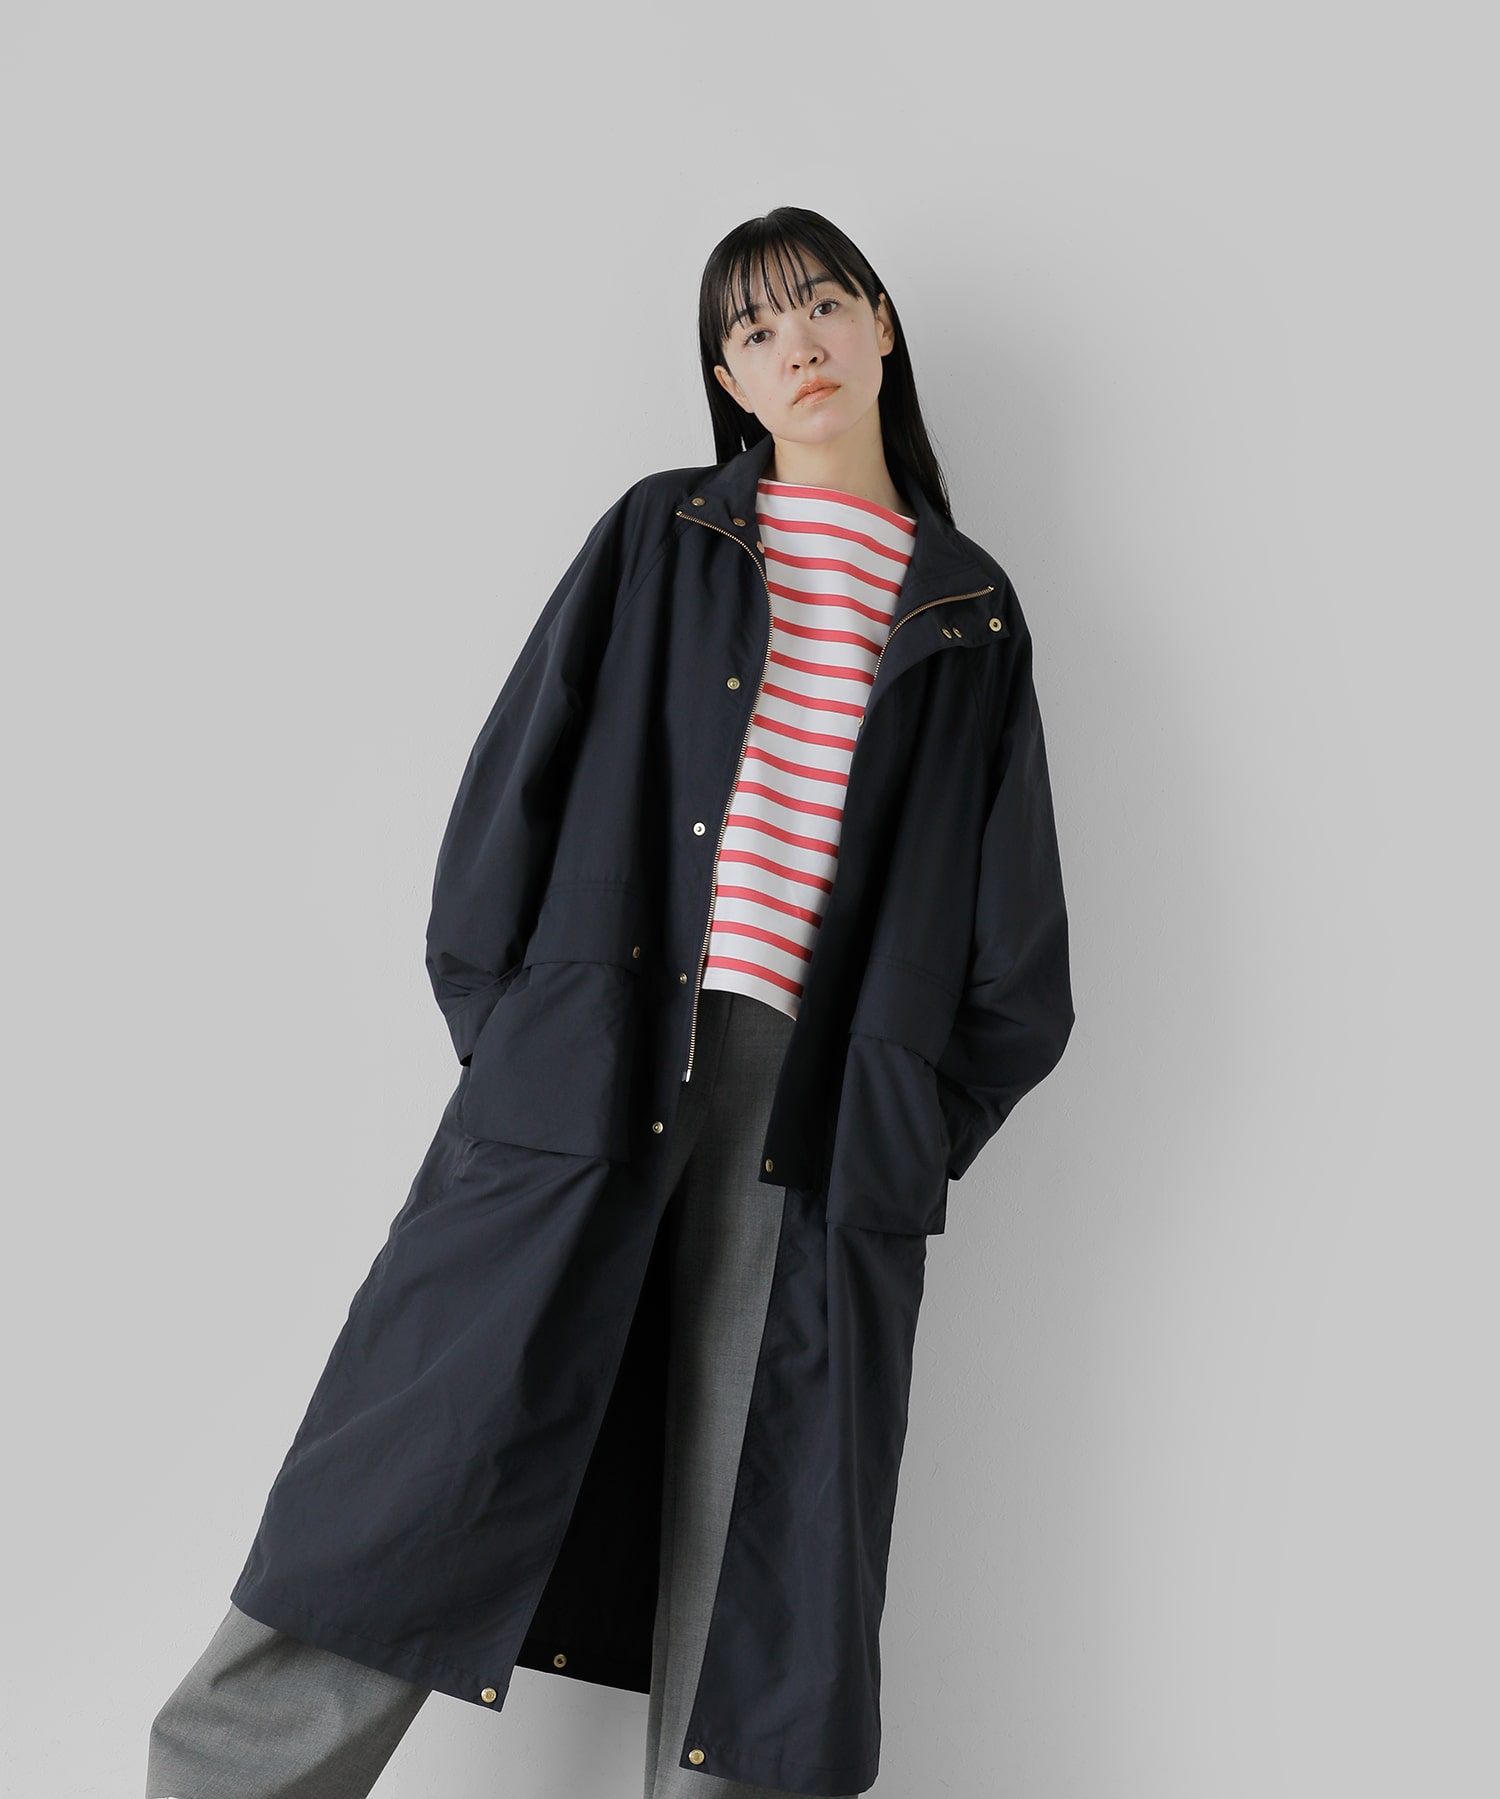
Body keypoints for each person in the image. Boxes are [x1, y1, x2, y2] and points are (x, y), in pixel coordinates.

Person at [146, 206, 1075, 1799]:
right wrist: (527, 1044)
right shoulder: (665, 535)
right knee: (418, 1457)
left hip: (823, 1115)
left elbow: (1018, 966)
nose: (797, 344)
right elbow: (504, 808)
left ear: (881, 325)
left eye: (822, 306)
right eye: (755, 329)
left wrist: (905, 1130)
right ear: (728, 378)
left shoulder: (970, 609)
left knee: (769, 1527)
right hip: (599, 1058)